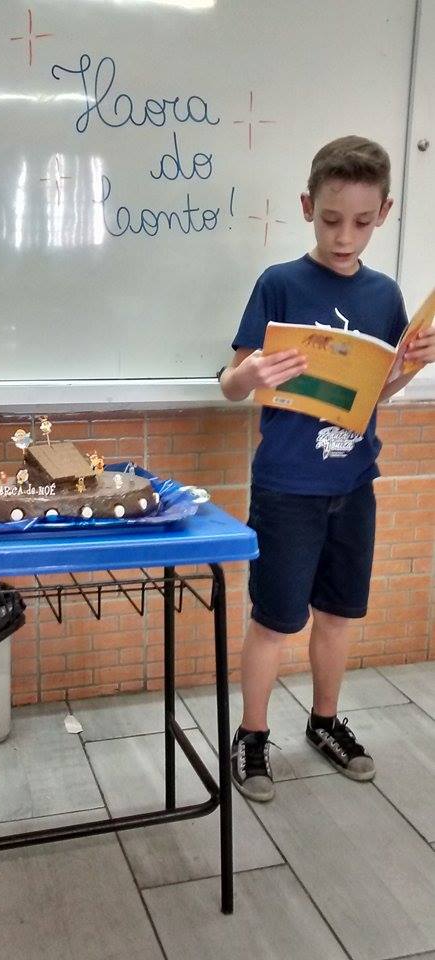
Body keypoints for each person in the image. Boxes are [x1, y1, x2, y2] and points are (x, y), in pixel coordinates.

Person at [219, 135, 435, 802]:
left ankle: (324, 721)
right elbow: (232, 384)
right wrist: (250, 374)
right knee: (274, 620)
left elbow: (373, 393)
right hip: (287, 488)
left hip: (353, 483)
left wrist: (411, 365)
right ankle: (251, 735)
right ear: (307, 206)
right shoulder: (279, 283)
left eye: (362, 222)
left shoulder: (383, 293)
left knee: (338, 615)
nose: (345, 237)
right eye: (331, 220)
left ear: (385, 213)